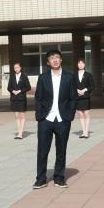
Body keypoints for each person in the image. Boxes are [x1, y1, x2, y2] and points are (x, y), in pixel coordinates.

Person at [33, 49, 77, 189]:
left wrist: (70, 115)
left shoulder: (69, 77)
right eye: (52, 58)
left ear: (61, 60)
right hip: (45, 119)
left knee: (61, 150)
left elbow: (73, 98)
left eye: (57, 57)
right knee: (42, 151)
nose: (55, 60)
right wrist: (39, 115)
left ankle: (59, 177)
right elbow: (38, 97)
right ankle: (41, 179)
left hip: (63, 119)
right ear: (48, 62)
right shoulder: (43, 77)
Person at [7, 62, 30, 139]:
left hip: (21, 98)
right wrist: (13, 91)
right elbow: (8, 87)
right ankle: (19, 132)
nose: (16, 69)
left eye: (17, 67)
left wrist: (20, 91)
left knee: (22, 115)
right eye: (15, 68)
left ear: (20, 68)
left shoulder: (24, 76)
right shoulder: (12, 77)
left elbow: (28, 87)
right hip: (14, 99)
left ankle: (20, 133)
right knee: (16, 116)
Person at [75, 59, 94, 139]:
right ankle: (83, 132)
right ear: (77, 65)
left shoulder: (88, 75)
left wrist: (84, 90)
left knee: (86, 113)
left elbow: (92, 86)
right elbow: (72, 85)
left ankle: (86, 132)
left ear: (85, 65)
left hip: (85, 97)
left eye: (82, 63)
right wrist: (77, 90)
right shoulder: (74, 75)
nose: (81, 65)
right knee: (80, 114)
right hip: (78, 97)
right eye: (79, 63)